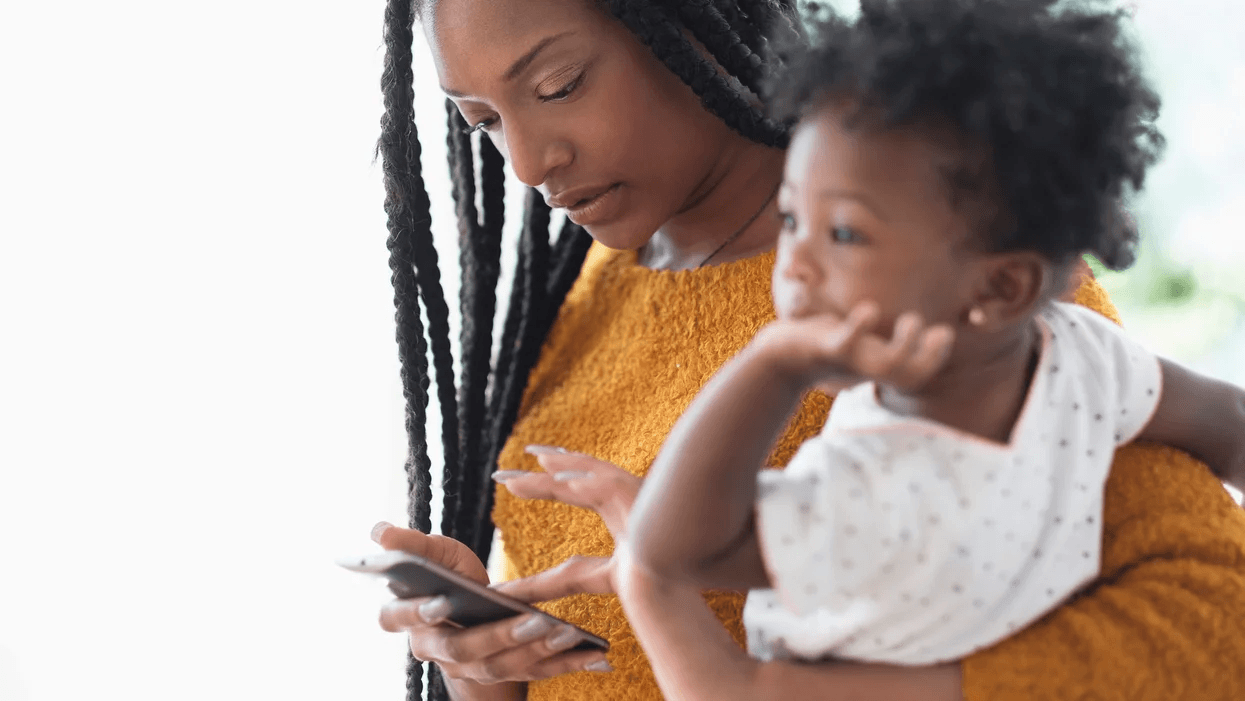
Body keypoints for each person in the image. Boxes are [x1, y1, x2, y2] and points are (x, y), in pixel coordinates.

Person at [368, 0, 1245, 699]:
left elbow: (1213, 626)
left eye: (558, 85)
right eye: (482, 120)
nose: (525, 162)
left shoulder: (938, 270)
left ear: (689, 23)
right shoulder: (582, 290)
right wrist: (481, 666)